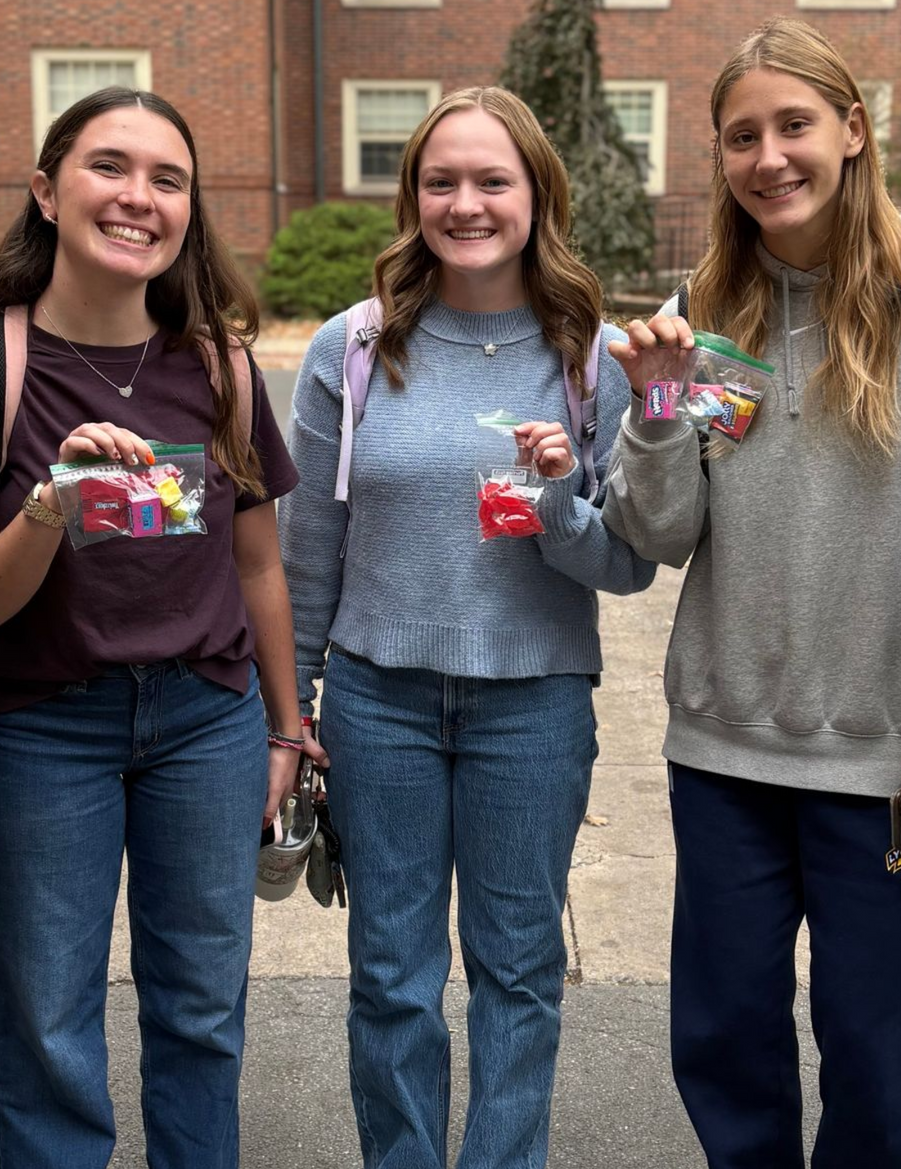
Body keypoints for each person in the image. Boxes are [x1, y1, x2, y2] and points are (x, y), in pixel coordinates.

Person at [601, 18, 901, 1168]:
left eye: (794, 125)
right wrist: (651, 408)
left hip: (896, 770)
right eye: (741, 135)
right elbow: (659, 533)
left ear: (852, 130)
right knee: (726, 1045)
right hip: (724, 753)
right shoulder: (706, 307)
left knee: (884, 1068)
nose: (769, 157)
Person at [0, 87, 303, 1169]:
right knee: (45, 1025)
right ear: (47, 190)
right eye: (108, 166)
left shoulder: (219, 366)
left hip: (207, 726)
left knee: (202, 1012)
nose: (138, 197)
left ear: (189, 210)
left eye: (167, 179)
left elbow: (259, 563)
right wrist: (53, 500)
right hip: (49, 728)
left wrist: (287, 730)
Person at [278, 85, 656, 1168]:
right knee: (392, 977)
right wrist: (292, 714)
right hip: (376, 702)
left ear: (537, 193)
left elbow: (625, 565)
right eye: (441, 180)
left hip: (532, 706)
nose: (467, 202)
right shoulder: (351, 349)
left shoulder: (595, 359)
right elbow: (312, 555)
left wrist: (551, 503)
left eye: (494, 179)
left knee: (519, 970)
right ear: (413, 197)